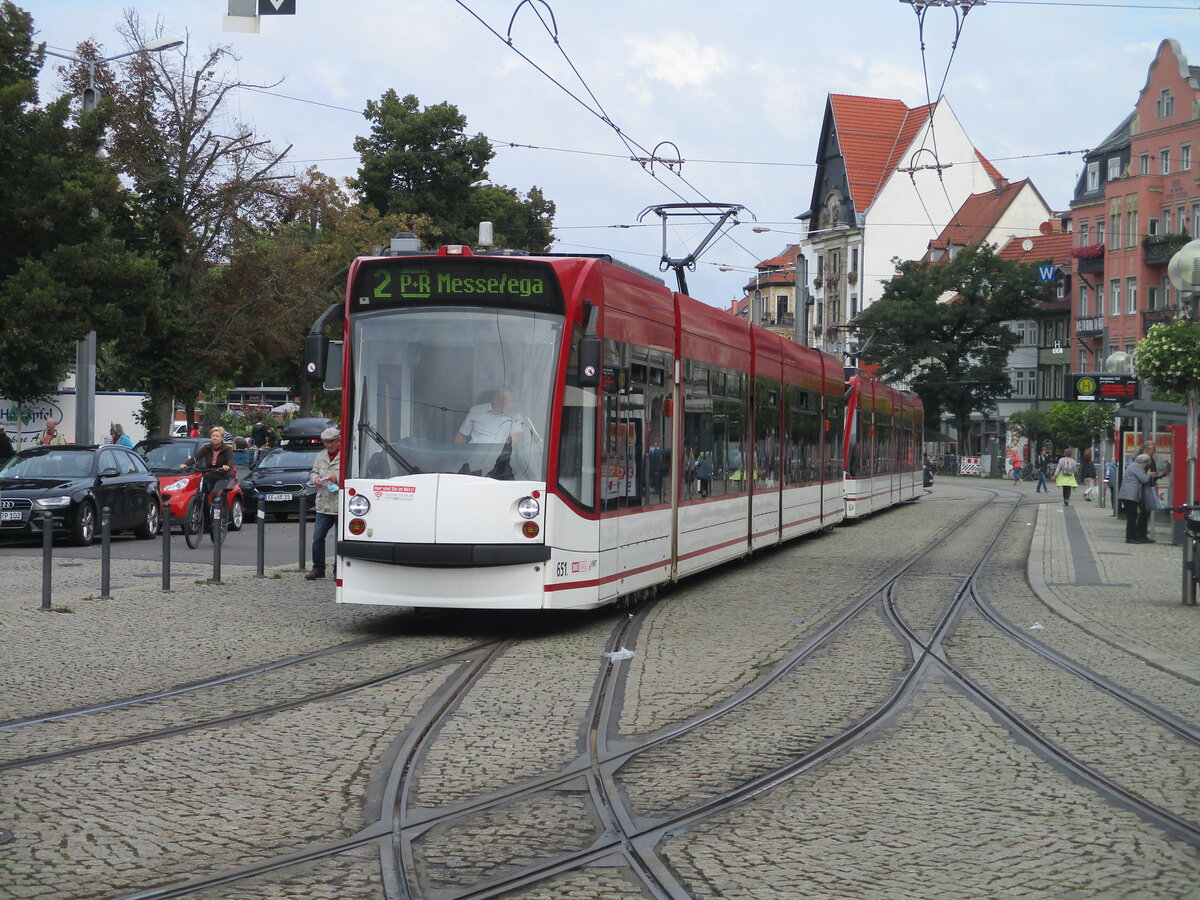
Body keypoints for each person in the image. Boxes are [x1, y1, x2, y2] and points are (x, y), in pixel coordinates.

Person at [306, 426, 341, 581]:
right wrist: (316, 480)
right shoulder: (321, 455)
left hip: (340, 503)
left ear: (338, 441)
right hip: (323, 503)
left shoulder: (345, 455)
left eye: (331, 442)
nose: (328, 445)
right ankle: (318, 567)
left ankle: (338, 570)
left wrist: (337, 478)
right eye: (325, 442)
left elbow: (351, 473)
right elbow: (313, 472)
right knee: (318, 538)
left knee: (340, 539)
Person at [455, 386, 533, 445]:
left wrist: (513, 441)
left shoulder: (516, 416)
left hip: (500, 460)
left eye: (513, 401)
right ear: (496, 400)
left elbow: (517, 435)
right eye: (510, 401)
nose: (513, 405)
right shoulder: (476, 410)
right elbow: (461, 436)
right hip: (474, 457)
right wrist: (454, 458)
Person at [180, 426, 235, 504]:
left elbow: (230, 460)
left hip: (222, 477)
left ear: (222, 438)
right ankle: (205, 515)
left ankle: (217, 513)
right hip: (208, 476)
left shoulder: (227, 449)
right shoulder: (206, 448)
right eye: (213, 436)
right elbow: (196, 457)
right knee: (202, 495)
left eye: (217, 436)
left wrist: (227, 466)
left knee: (216, 494)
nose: (215, 438)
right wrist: (186, 464)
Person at [1118, 453, 1163, 544]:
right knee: (1132, 516)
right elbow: (1144, 479)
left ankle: (1133, 536)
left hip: (1128, 495)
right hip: (1129, 495)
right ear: (1143, 462)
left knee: (1133, 516)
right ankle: (1130, 537)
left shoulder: (1133, 465)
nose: (1145, 466)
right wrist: (1149, 475)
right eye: (1146, 464)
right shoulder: (1137, 467)